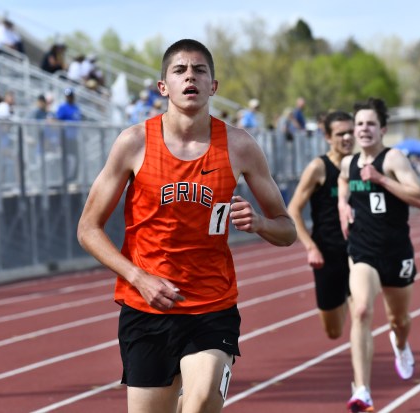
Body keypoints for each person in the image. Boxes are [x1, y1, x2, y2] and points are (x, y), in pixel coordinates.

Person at [77, 38, 296, 413]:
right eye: (179, 70)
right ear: (163, 87)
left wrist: (259, 222)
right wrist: (138, 277)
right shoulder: (133, 143)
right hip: (147, 308)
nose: (190, 77)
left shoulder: (239, 145)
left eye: (200, 70)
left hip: (212, 307)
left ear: (214, 86)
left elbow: (287, 229)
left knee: (202, 400)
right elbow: (88, 229)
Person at [337, 97, 420, 412]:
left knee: (398, 320)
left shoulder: (393, 159)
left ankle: (400, 344)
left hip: (396, 252)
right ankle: (362, 389)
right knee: (360, 310)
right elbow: (343, 181)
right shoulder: (348, 163)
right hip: (363, 251)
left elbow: (419, 198)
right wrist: (342, 203)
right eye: (359, 124)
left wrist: (381, 180)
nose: (363, 129)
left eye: (370, 124)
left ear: (383, 129)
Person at [287, 111, 355, 341]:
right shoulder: (319, 167)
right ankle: (344, 298)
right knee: (334, 331)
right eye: (340, 133)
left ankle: (362, 374)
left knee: (362, 314)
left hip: (359, 252)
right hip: (328, 255)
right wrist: (310, 247)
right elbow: (293, 210)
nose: (347, 138)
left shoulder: (362, 164)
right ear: (327, 137)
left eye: (351, 132)